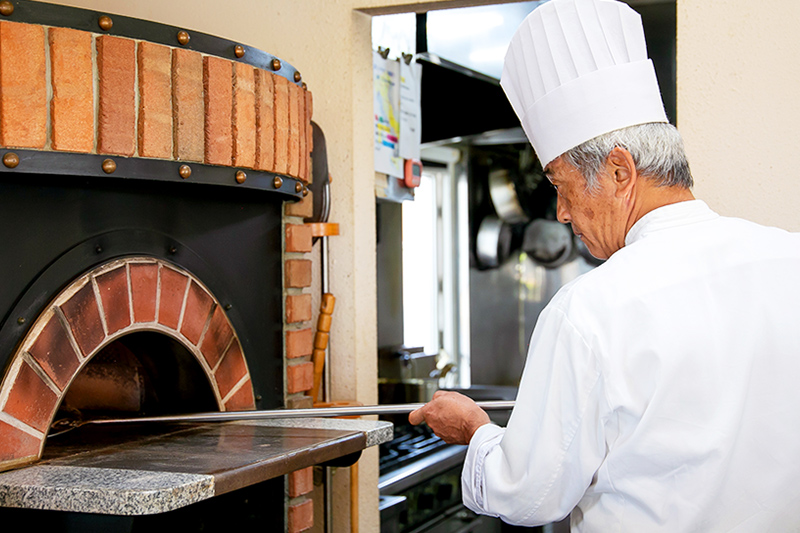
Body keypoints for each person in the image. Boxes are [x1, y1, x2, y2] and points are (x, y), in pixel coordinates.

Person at [409, 0, 800, 531]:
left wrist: (476, 429)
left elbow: (529, 495)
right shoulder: (789, 259)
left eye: (560, 187)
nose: (562, 212)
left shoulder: (590, 310)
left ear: (620, 170)